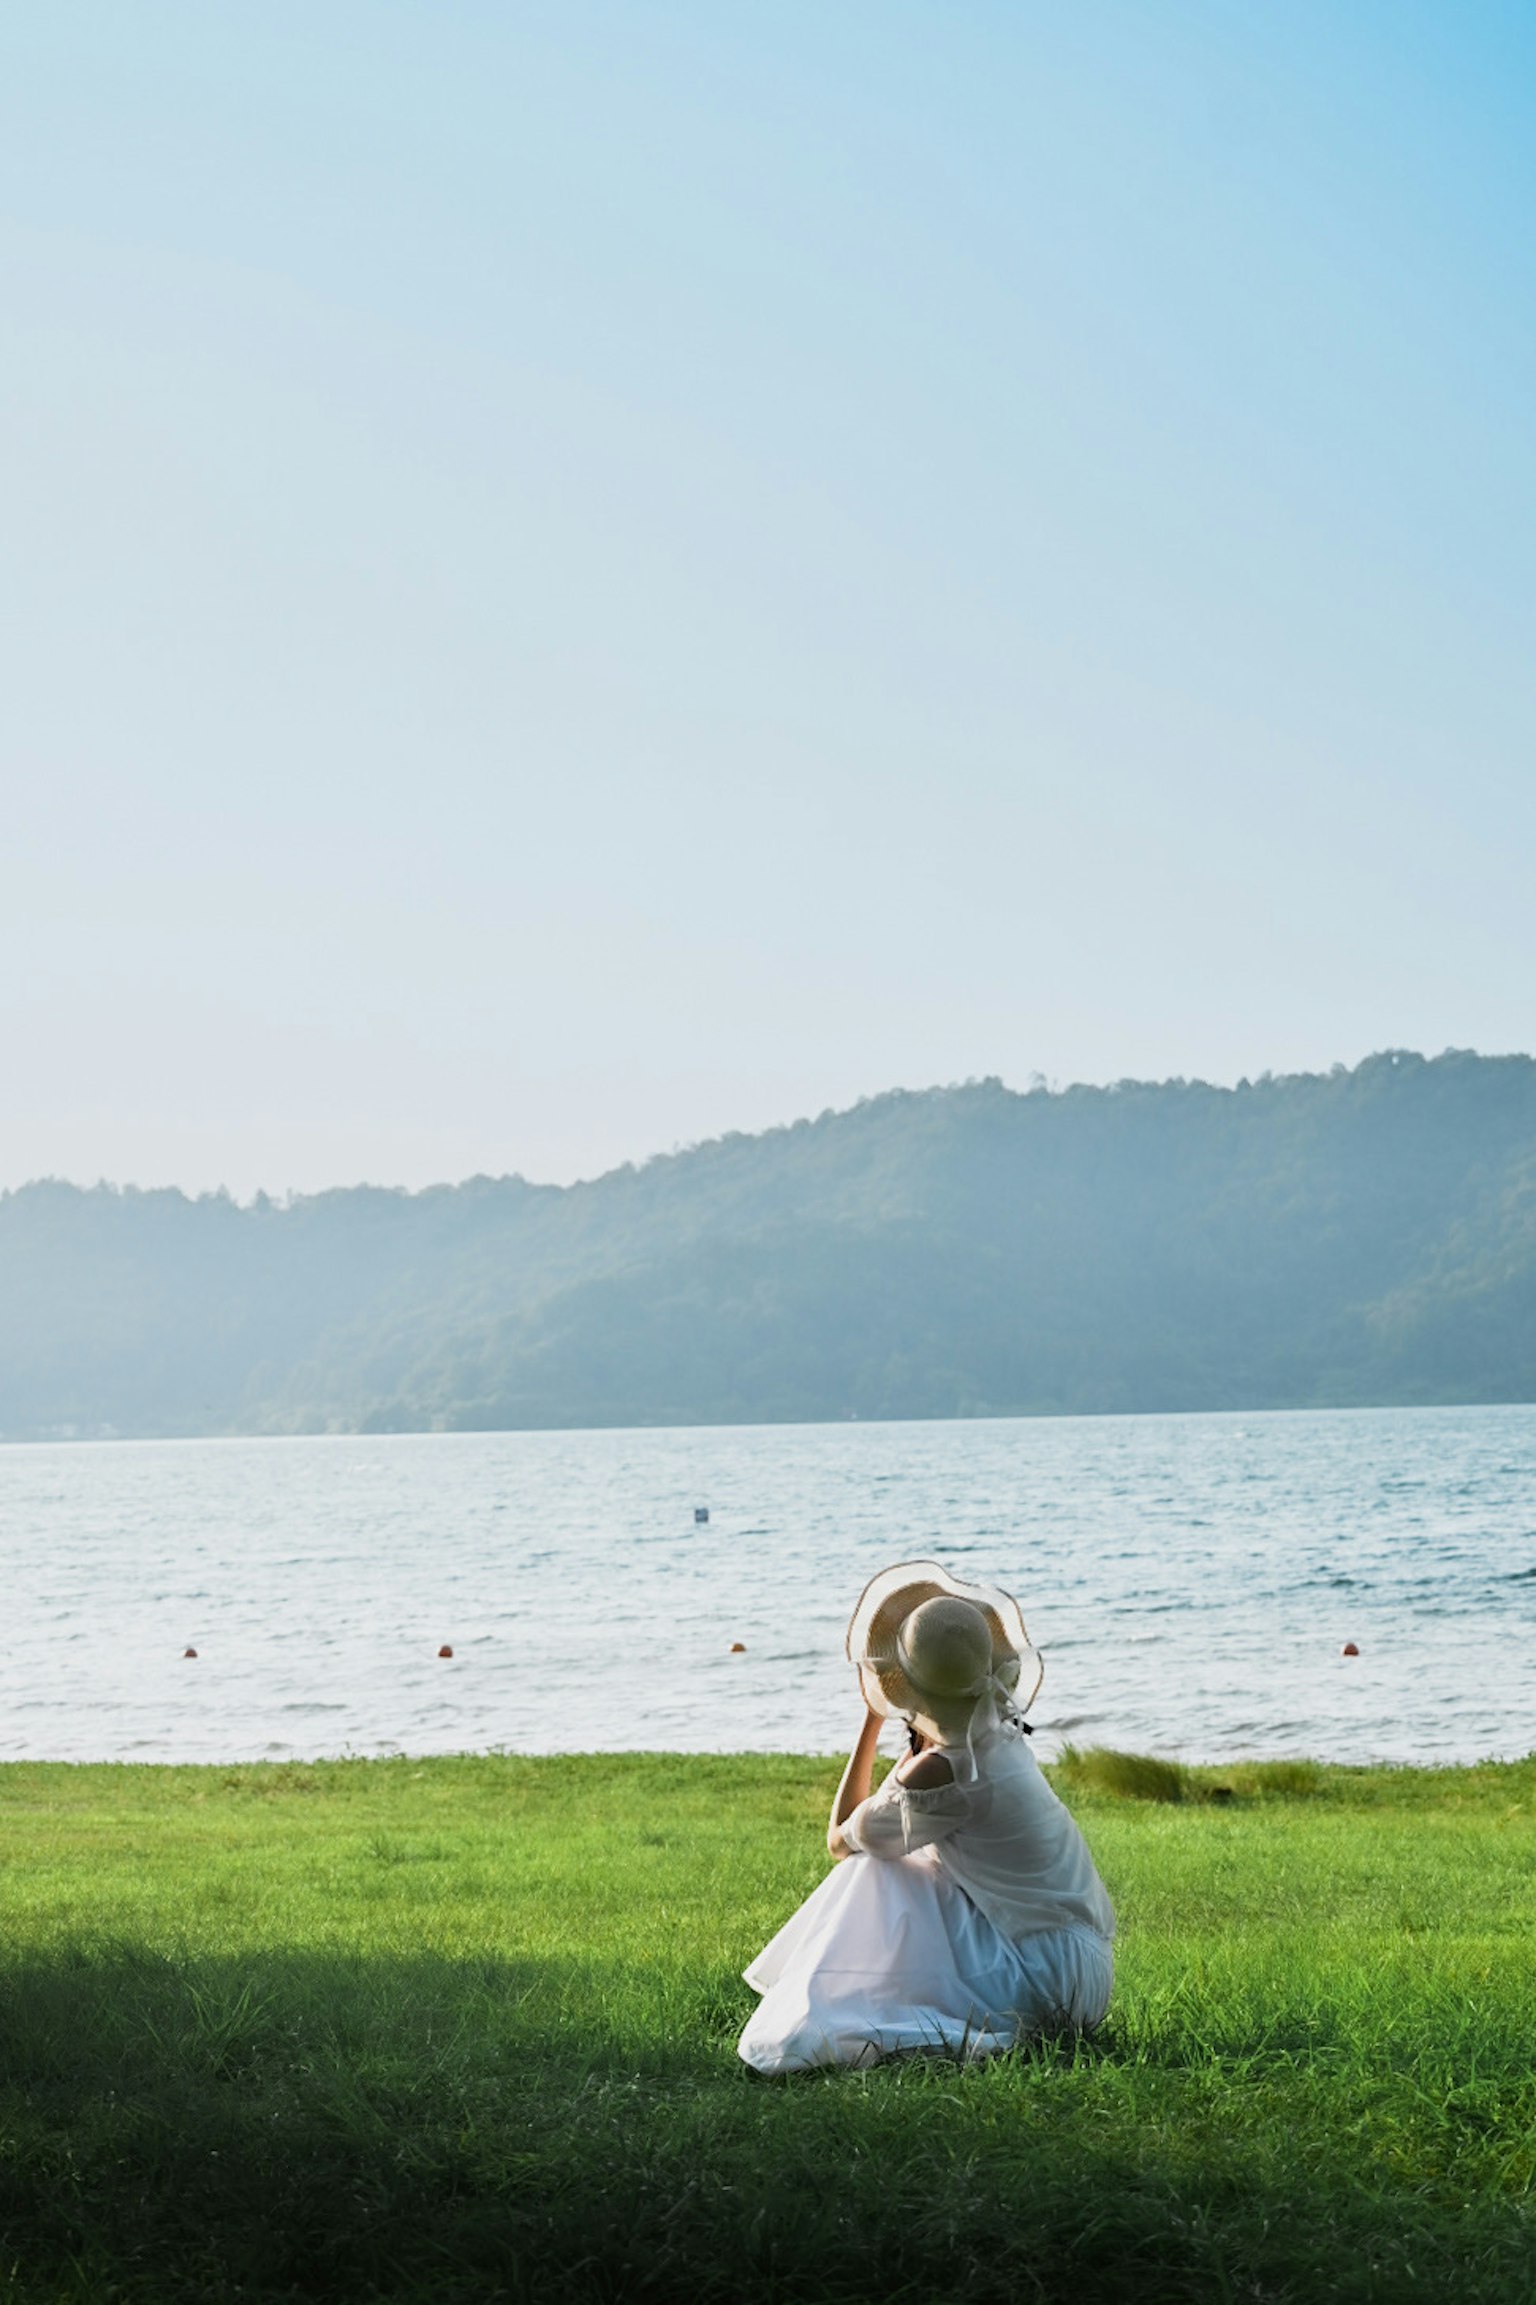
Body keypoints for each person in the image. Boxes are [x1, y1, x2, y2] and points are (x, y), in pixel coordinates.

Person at [737, 1559, 1115, 2073]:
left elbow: (839, 1839)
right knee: (906, 1860)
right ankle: (842, 1990)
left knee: (872, 1863)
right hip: (1084, 1972)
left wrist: (871, 1718)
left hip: (1040, 1984)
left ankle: (827, 2000)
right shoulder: (998, 1737)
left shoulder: (947, 1769)